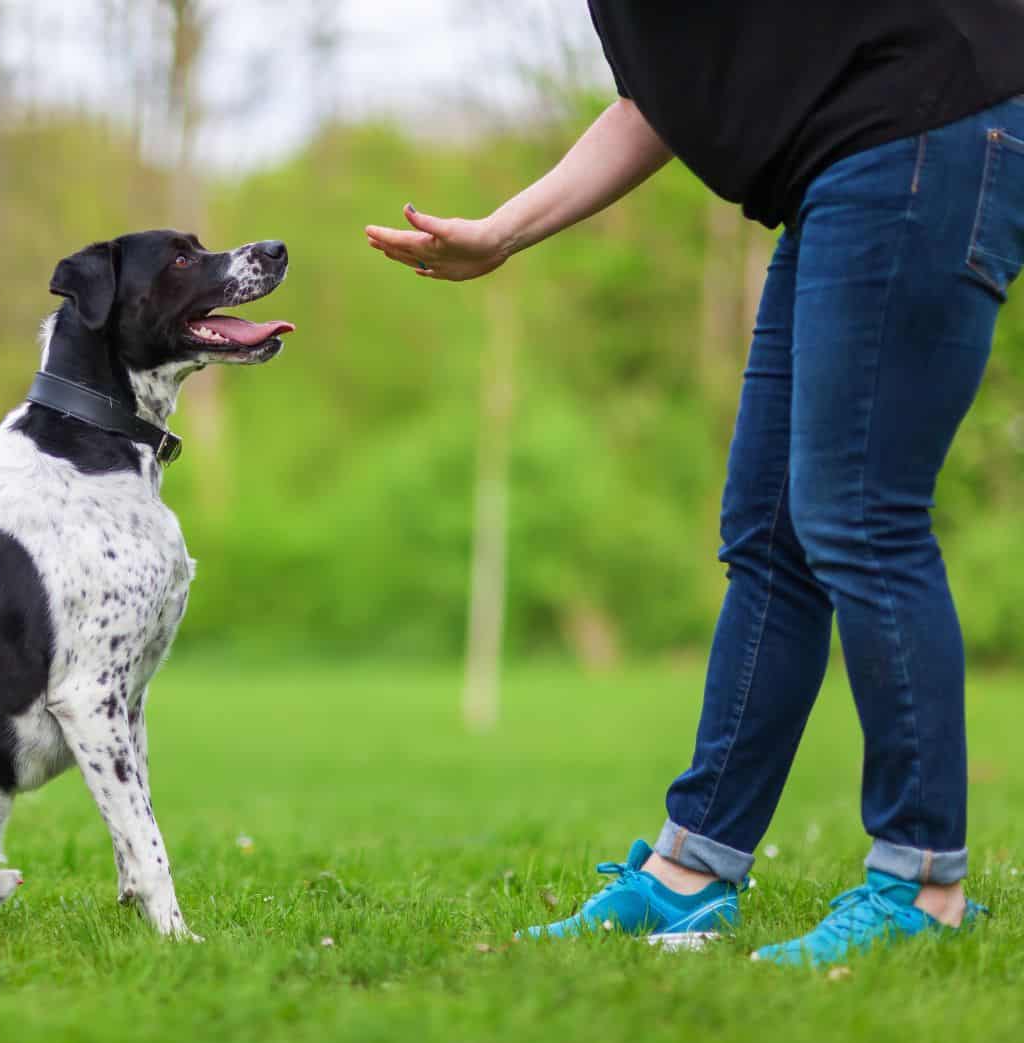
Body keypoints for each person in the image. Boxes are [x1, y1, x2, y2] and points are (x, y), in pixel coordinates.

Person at [367, 2, 1024, 966]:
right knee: (771, 536)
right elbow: (659, 104)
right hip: (853, 163)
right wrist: (501, 232)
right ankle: (693, 874)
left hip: (924, 126)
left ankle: (924, 883)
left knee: (859, 515)